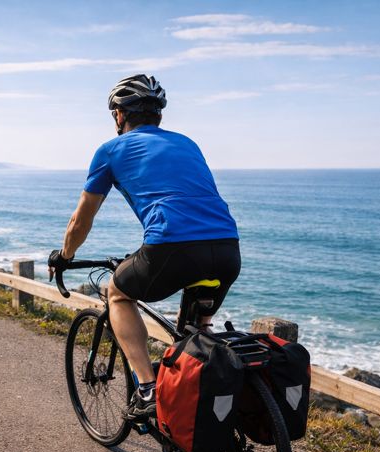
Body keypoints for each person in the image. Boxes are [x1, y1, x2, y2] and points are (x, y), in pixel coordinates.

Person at [48, 74, 241, 422]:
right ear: (159, 116)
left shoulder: (110, 150)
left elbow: (81, 220)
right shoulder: (187, 143)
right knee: (196, 336)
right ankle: (209, 409)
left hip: (173, 248)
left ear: (119, 116)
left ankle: (148, 389)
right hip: (227, 250)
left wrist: (64, 257)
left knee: (118, 293)